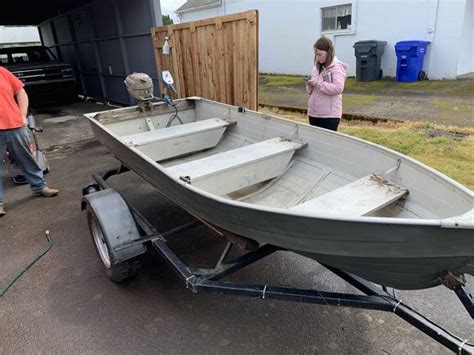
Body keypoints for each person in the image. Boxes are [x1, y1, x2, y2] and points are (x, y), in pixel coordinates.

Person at [0, 66, 58, 217]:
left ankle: (40, 188)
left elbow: (20, 92)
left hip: (15, 125)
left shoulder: (2, 72)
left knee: (27, 159)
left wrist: (22, 116)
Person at [306, 36, 348, 131]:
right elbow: (312, 90)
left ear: (328, 53)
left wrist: (318, 85)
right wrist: (309, 86)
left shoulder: (337, 68)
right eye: (316, 54)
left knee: (326, 144)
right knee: (315, 143)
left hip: (329, 116)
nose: (317, 57)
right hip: (314, 113)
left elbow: (338, 88)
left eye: (320, 54)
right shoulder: (316, 67)